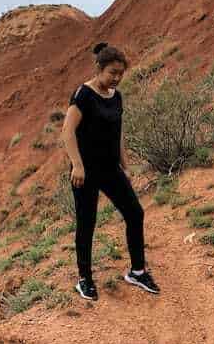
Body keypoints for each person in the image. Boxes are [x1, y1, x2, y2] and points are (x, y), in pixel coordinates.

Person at [61, 42, 160, 300]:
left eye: (120, 73)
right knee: (87, 223)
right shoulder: (83, 94)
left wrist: (125, 166)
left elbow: (118, 134)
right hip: (85, 172)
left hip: (110, 169)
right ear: (99, 69)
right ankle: (84, 280)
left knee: (135, 213)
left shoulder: (116, 96)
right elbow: (67, 132)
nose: (116, 78)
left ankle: (137, 271)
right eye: (112, 73)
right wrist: (78, 165)